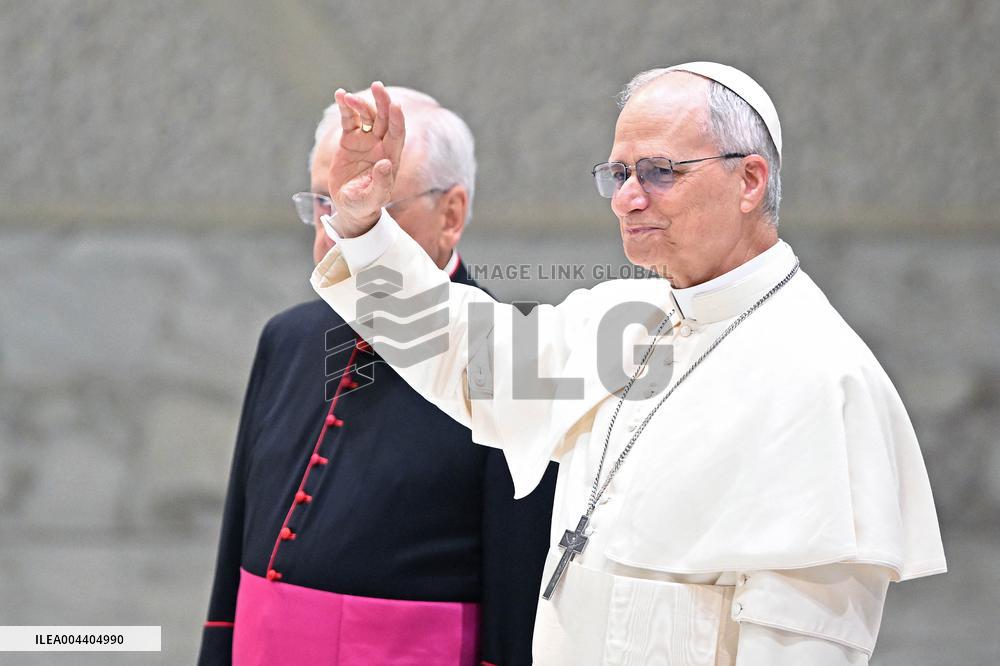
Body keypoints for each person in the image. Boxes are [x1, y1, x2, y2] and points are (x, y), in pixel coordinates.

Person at [310, 65, 947, 666]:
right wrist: (364, 228)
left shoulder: (821, 379)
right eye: (618, 174)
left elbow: (801, 649)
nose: (626, 200)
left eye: (659, 172)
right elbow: (459, 354)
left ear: (750, 181)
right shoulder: (625, 314)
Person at [199, 86, 557, 666]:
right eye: (324, 201)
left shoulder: (505, 358)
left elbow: (517, 593)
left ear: (452, 213)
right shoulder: (286, 339)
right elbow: (233, 569)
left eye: (373, 206)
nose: (335, 231)